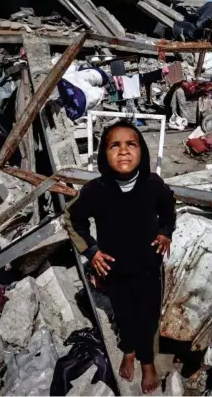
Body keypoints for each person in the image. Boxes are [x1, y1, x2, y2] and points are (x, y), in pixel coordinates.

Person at [64, 120, 177, 394]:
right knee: (124, 314)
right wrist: (91, 251)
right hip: (113, 271)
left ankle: (147, 361)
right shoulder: (95, 191)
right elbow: (72, 218)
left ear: (142, 152)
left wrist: (165, 232)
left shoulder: (153, 184)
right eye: (115, 145)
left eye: (131, 144)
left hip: (149, 268)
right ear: (104, 153)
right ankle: (128, 351)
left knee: (149, 316)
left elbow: (168, 206)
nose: (123, 151)